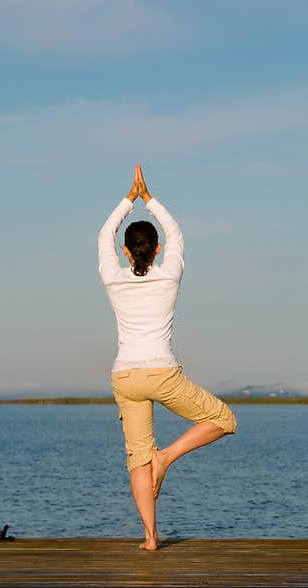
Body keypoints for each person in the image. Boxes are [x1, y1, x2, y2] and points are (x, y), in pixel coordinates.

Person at [97, 163, 238, 551]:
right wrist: (149, 198)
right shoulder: (170, 274)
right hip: (161, 373)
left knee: (137, 457)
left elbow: (102, 235)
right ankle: (168, 458)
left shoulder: (113, 277)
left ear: (125, 252)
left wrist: (128, 199)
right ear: (157, 250)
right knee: (223, 419)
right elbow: (176, 231)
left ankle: (149, 538)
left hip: (125, 376)